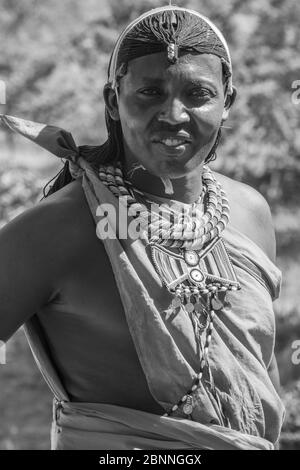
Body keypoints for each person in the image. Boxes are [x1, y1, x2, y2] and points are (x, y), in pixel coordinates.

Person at [0, 5, 285, 450]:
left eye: (198, 94)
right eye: (149, 93)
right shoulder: (58, 229)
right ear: (114, 101)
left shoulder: (250, 212)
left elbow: (260, 372)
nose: (174, 114)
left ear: (227, 101)